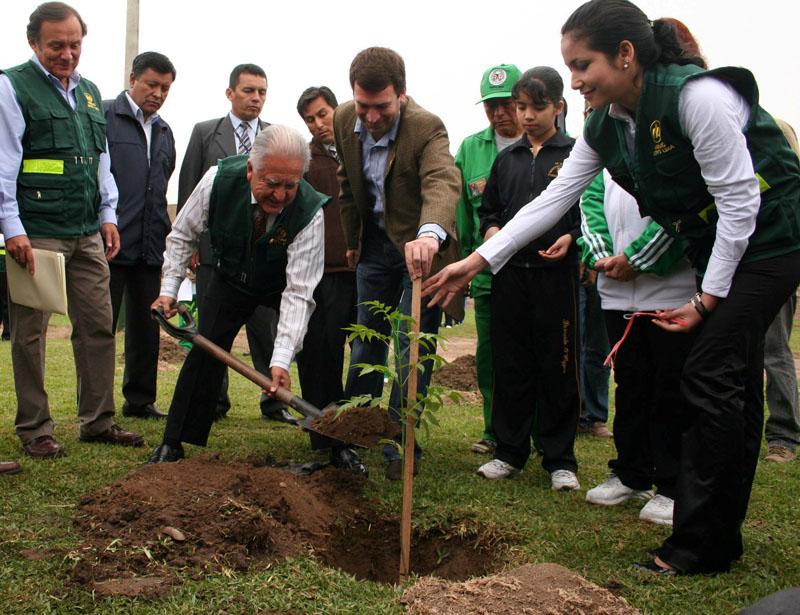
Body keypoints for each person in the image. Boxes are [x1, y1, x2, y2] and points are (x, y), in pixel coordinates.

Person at [424, 0, 800, 575]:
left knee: (709, 371)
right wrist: (478, 259)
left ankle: (697, 544)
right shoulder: (607, 121)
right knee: (736, 382)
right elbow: (554, 198)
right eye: (569, 68)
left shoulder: (697, 97)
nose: (573, 82)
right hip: (725, 243)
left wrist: (708, 299)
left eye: (582, 65)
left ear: (626, 55)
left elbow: (742, 201)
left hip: (771, 237)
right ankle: (719, 537)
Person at [148, 126, 365, 475]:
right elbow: (182, 235)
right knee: (206, 348)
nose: (280, 195)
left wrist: (279, 361)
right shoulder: (217, 180)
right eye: (272, 182)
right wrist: (169, 290)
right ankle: (174, 441)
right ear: (251, 170)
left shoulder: (310, 212)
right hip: (230, 276)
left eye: (290, 186)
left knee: (320, 347)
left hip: (283, 282)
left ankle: (335, 445)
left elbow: (297, 293)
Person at [0, 2, 144, 459]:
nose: (66, 54)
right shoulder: (12, 86)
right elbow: (5, 163)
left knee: (99, 325)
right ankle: (35, 427)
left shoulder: (90, 93)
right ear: (34, 43)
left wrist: (109, 215)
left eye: (74, 44)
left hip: (85, 230)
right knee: (30, 334)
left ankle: (98, 420)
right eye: (56, 45)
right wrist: (12, 228)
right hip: (35, 230)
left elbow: (100, 161)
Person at [335, 47, 462, 480]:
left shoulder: (426, 127)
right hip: (373, 249)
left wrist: (429, 235)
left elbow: (442, 182)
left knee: (413, 346)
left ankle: (398, 438)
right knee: (367, 340)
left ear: (402, 96)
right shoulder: (341, 119)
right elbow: (348, 184)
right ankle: (359, 429)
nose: (370, 117)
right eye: (363, 106)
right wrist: (353, 240)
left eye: (381, 107)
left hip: (418, 253)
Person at [474, 67, 582, 491]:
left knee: (558, 364)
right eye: (521, 107)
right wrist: (492, 233)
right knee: (511, 364)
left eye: (538, 107)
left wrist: (572, 238)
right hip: (511, 277)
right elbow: (490, 211)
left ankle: (560, 460)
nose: (528, 116)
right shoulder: (507, 159)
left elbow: (586, 212)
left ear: (558, 106)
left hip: (556, 278)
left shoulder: (575, 155)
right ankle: (509, 452)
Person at [580, 169, 697, 525]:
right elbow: (590, 206)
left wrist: (637, 259)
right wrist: (600, 256)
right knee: (631, 384)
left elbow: (680, 213)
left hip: (670, 291)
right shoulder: (605, 168)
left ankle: (672, 486)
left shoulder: (667, 154)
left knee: (670, 388)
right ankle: (632, 474)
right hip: (617, 295)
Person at [178, 63, 290, 423]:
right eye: (248, 91)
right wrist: (192, 247)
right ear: (230, 93)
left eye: (261, 92)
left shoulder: (276, 136)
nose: (255, 98)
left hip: (263, 255)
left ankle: (274, 402)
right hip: (216, 252)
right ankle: (213, 403)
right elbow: (189, 191)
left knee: (265, 329)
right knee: (213, 330)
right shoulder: (205, 133)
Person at [293, 86, 364, 472]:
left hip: (363, 270)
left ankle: (358, 428)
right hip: (322, 273)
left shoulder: (361, 148)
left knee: (366, 352)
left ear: (338, 110)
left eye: (323, 114)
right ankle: (323, 432)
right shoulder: (305, 161)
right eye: (310, 119)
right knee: (320, 351)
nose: (318, 124)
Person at [454, 63, 522, 455]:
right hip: (487, 277)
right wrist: (464, 267)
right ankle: (494, 430)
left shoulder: (544, 146)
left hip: (537, 271)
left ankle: (536, 433)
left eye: (507, 103)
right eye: (491, 105)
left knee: (533, 353)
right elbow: (463, 213)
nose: (499, 113)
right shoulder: (470, 149)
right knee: (490, 355)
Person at [104, 51, 176, 420]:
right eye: (151, 84)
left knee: (147, 329)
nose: (158, 93)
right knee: (102, 330)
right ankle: (99, 408)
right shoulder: (104, 117)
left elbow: (161, 187)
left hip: (151, 246)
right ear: (132, 78)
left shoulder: (164, 132)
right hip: (111, 246)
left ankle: (140, 400)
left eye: (165, 87)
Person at [762, 118, 800, 463]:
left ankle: (784, 434)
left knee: (774, 351)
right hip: (734, 266)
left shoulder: (789, 191)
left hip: (775, 265)